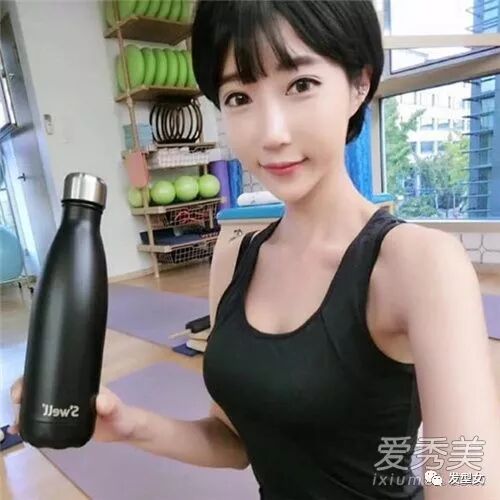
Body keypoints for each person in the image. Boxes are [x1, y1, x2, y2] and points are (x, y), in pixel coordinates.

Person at [10, 1, 500, 499]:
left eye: (301, 85)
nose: (271, 134)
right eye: (239, 96)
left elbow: (466, 479)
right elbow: (235, 442)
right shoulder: (234, 259)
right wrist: (127, 424)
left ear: (359, 84)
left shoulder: (421, 265)